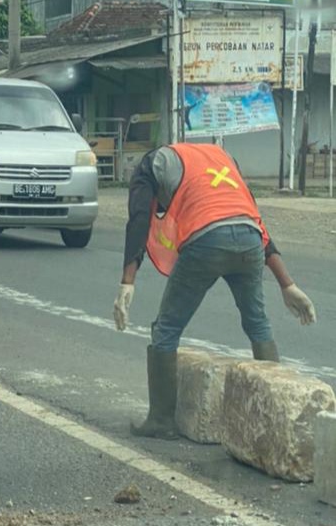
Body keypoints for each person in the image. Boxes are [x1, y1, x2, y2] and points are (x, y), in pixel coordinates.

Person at [114, 142, 316, 440]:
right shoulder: (223, 159)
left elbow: (140, 220)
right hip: (249, 240)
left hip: (206, 240)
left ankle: (160, 420)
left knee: (166, 328)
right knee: (257, 324)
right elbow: (253, 220)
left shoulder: (148, 167)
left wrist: (127, 283)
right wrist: (288, 284)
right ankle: (275, 417)